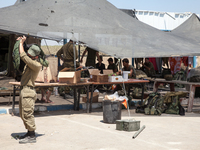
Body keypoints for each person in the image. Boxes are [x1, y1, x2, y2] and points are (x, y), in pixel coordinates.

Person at [17, 36, 44, 144]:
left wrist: (20, 43)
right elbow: (24, 55)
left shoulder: (36, 65)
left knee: (28, 113)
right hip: (24, 90)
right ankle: (29, 132)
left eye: (31, 55)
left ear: (36, 56)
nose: (29, 55)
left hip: (28, 91)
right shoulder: (31, 62)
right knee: (23, 113)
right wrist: (22, 42)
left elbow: (23, 55)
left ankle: (32, 135)